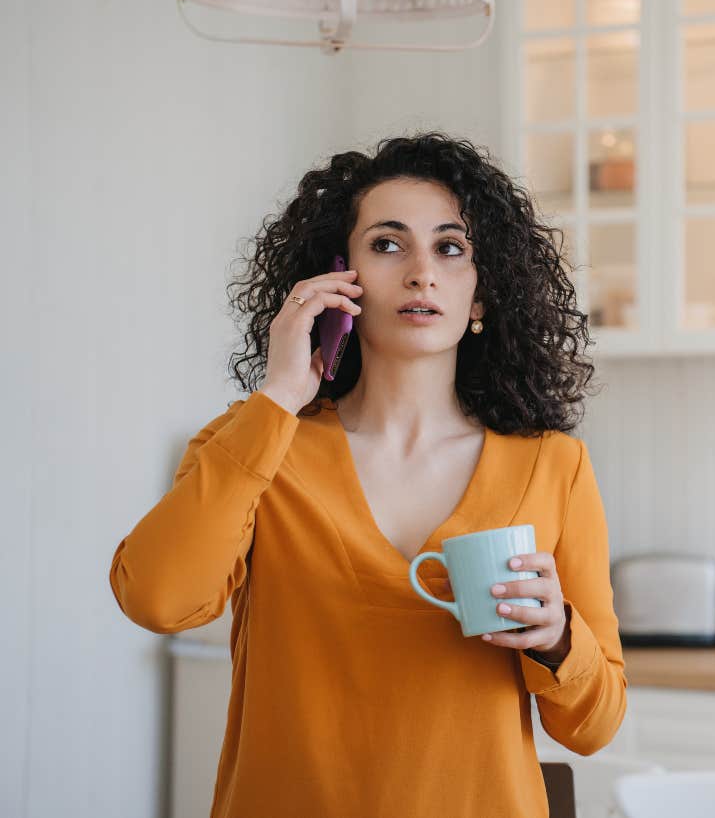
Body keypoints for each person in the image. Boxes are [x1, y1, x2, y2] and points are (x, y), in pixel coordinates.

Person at [108, 131, 627, 818]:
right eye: (387, 244)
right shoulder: (260, 442)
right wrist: (279, 398)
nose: (421, 272)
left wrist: (558, 637)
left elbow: (593, 728)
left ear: (480, 296)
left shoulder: (552, 464)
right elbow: (157, 600)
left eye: (450, 247)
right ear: (335, 279)